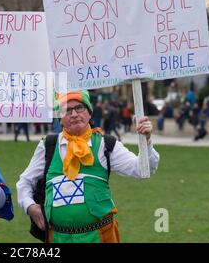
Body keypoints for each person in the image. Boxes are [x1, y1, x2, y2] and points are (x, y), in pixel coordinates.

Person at [16, 90, 160, 243]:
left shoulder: (105, 144)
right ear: (60, 119)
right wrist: (30, 206)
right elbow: (25, 182)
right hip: (57, 238)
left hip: (100, 237)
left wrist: (147, 140)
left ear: (89, 113)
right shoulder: (48, 146)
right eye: (67, 110)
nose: (74, 114)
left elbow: (144, 169)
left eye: (79, 108)